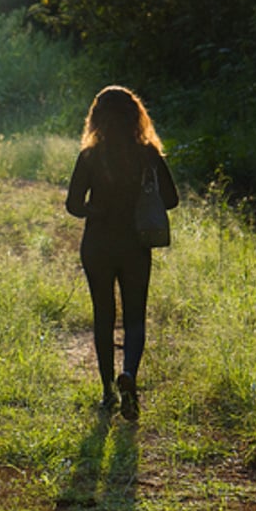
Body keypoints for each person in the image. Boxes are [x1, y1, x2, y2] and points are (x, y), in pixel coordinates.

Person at [66, 86, 179, 420]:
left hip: (98, 244)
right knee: (134, 317)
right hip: (135, 244)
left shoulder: (90, 156)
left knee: (103, 316)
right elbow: (171, 200)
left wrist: (96, 209)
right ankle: (128, 374)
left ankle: (106, 393)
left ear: (96, 117)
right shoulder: (147, 154)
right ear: (135, 116)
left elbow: (73, 205)